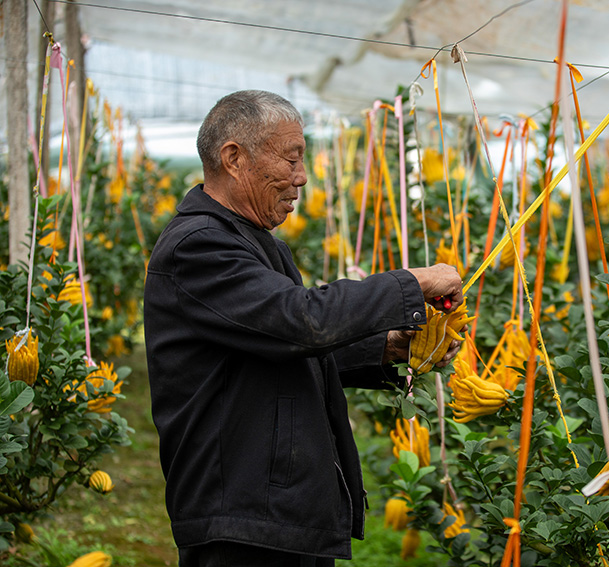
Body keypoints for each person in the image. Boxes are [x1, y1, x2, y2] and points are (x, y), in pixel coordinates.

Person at [144, 90, 464, 567]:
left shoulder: (248, 240)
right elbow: (299, 320)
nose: (301, 177)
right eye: (291, 158)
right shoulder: (199, 247)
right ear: (233, 157)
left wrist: (388, 348)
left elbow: (271, 345)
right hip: (242, 515)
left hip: (272, 508)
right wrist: (411, 284)